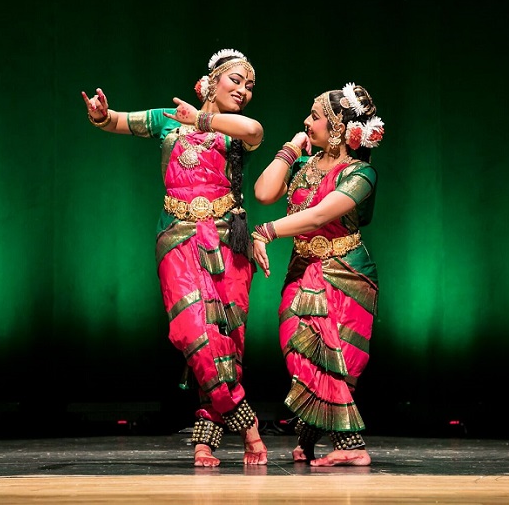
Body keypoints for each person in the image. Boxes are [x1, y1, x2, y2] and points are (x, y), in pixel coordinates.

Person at [80, 49, 267, 467]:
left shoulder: (234, 130)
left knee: (226, 340)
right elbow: (119, 122)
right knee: (191, 331)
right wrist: (100, 115)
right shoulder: (168, 118)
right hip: (178, 238)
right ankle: (247, 421)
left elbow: (254, 129)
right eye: (235, 81)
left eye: (249, 86)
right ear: (211, 82)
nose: (242, 90)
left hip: (226, 242)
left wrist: (198, 119)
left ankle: (206, 440)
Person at [251, 82, 384, 466]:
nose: (307, 121)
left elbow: (324, 213)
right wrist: (291, 148)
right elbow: (263, 192)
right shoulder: (304, 165)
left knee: (335, 360)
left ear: (338, 127)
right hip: (301, 269)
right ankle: (309, 440)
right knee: (301, 355)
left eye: (314, 116)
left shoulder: (361, 173)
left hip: (346, 275)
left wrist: (269, 230)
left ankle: (351, 447)